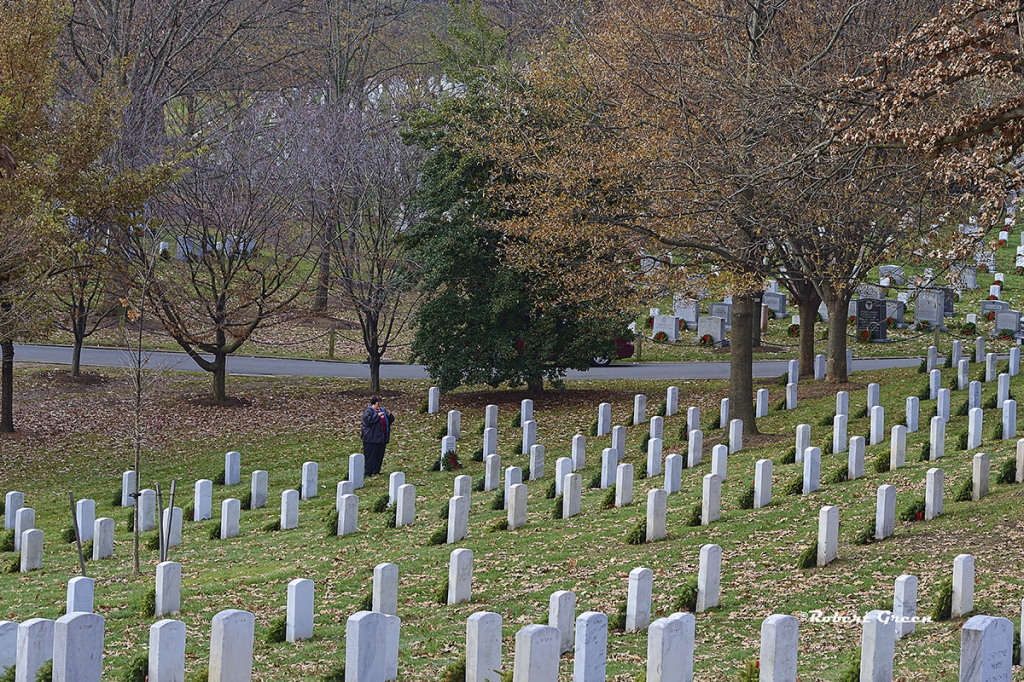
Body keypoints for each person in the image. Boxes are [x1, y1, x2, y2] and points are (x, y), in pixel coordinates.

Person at [361, 397, 394, 476]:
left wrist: (390, 415)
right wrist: (377, 416)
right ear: (373, 404)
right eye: (377, 404)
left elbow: (391, 420)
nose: (379, 405)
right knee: (371, 456)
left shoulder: (383, 410)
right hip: (371, 439)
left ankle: (376, 471)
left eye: (380, 403)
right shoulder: (368, 412)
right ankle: (368, 472)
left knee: (379, 456)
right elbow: (368, 422)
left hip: (382, 438)